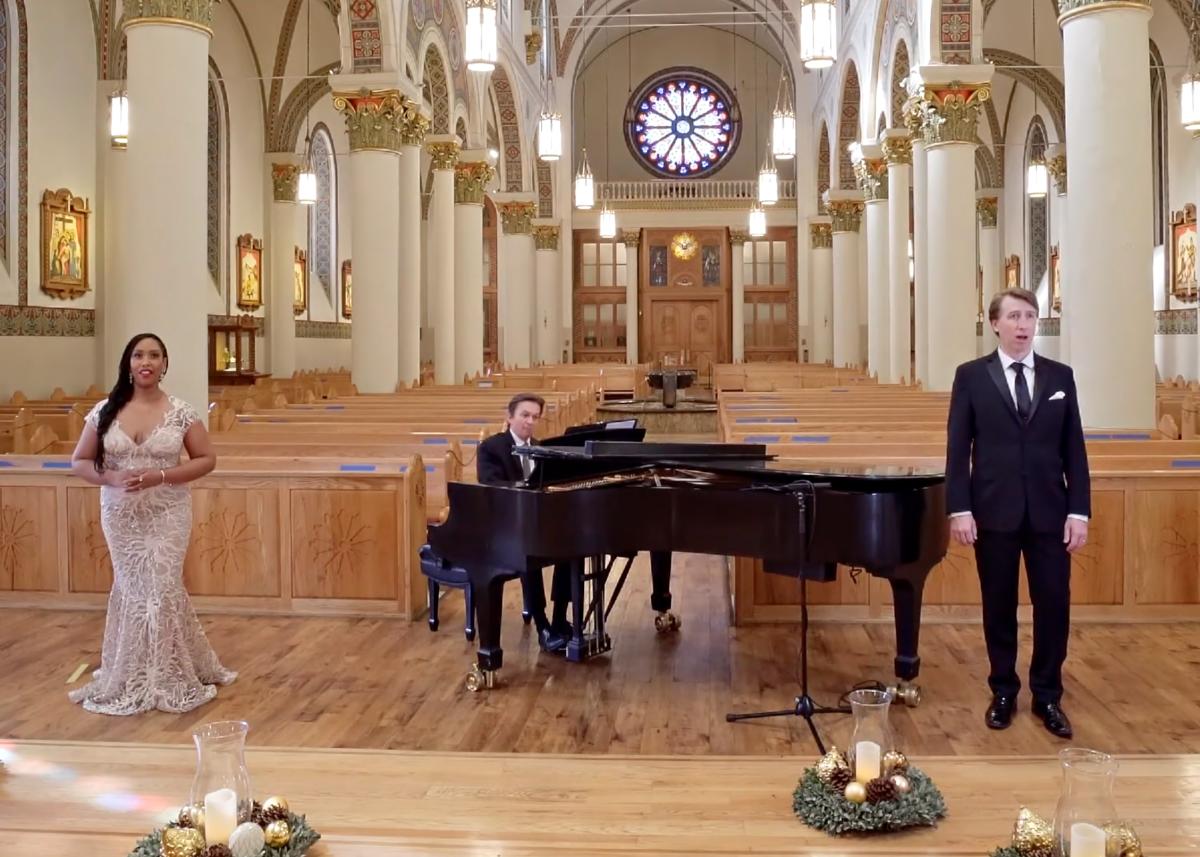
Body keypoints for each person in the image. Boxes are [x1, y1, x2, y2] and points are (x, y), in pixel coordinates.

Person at [945, 287, 1090, 738]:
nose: (1023, 325)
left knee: (1054, 605)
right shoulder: (971, 376)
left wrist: (1079, 512)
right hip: (993, 512)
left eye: (1029, 316)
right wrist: (960, 510)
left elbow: (1075, 451)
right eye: (1014, 316)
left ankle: (1048, 695)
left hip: (1051, 513)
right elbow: (957, 450)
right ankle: (1003, 690)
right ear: (995, 323)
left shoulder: (1060, 377)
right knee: (999, 604)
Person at [68, 333, 235, 715]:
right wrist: (109, 478)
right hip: (121, 514)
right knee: (131, 588)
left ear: (164, 364)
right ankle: (130, 672)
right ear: (128, 363)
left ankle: (167, 674)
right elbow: (79, 461)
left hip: (167, 511)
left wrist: (161, 474)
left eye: (155, 355)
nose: (146, 361)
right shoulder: (104, 411)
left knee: (161, 587)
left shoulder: (180, 412)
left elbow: (206, 459)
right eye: (139, 355)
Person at [476, 393, 572, 652]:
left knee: (573, 547)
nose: (530, 421)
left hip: (536, 522)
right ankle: (542, 625)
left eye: (535, 417)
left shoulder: (541, 449)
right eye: (525, 415)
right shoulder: (491, 447)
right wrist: (526, 490)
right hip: (503, 526)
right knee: (527, 551)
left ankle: (560, 619)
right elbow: (491, 485)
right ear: (509, 418)